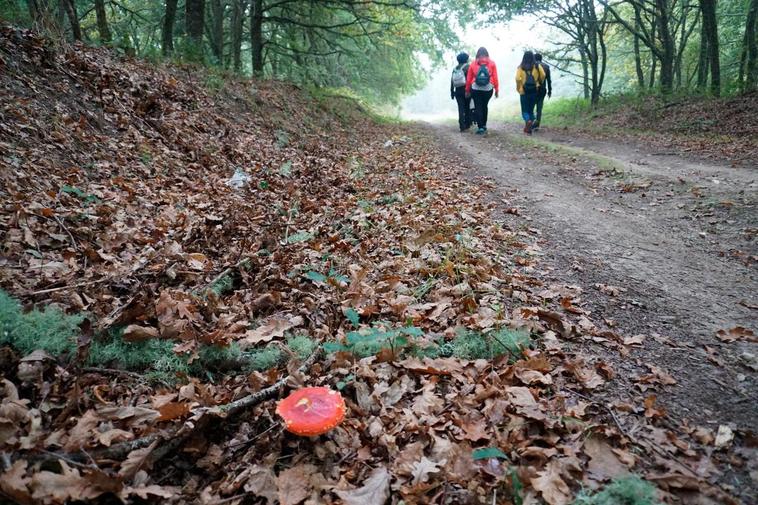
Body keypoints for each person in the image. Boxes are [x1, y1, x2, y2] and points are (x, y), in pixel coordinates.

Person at [465, 47, 499, 135]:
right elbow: (495, 77)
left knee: (478, 107)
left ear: (477, 55)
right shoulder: (492, 63)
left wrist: (467, 90)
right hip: (488, 89)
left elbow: (469, 79)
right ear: (487, 54)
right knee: (485, 106)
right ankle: (484, 125)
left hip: (476, 88)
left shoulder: (473, 64)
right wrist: (496, 89)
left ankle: (480, 127)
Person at [515, 50, 546, 135]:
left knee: (525, 110)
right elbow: (543, 75)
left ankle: (527, 121)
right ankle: (529, 127)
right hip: (534, 91)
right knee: (531, 110)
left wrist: (519, 88)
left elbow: (517, 78)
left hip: (523, 92)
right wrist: (538, 82)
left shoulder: (521, 67)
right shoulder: (537, 65)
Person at [450, 52, 472, 131]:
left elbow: (452, 81)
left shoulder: (455, 69)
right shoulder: (468, 67)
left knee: (461, 108)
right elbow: (470, 79)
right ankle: (467, 124)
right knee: (467, 107)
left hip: (458, 91)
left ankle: (461, 126)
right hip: (466, 90)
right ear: (466, 59)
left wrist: (452, 92)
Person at [533, 53, 552, 131]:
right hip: (542, 89)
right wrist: (550, 91)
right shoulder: (546, 67)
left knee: (531, 107)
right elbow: (549, 80)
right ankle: (537, 124)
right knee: (539, 107)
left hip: (533, 89)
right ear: (541, 59)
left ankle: (530, 123)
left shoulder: (532, 66)